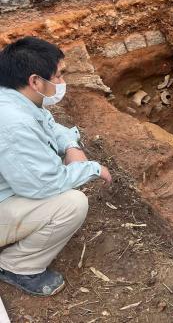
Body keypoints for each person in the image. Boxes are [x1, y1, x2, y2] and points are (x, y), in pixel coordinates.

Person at [0, 37, 112, 296]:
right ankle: (17, 266)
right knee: (71, 204)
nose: (61, 83)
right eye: (58, 76)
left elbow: (48, 124)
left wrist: (71, 146)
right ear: (35, 81)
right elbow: (43, 184)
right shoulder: (13, 124)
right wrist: (92, 168)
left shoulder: (14, 98)